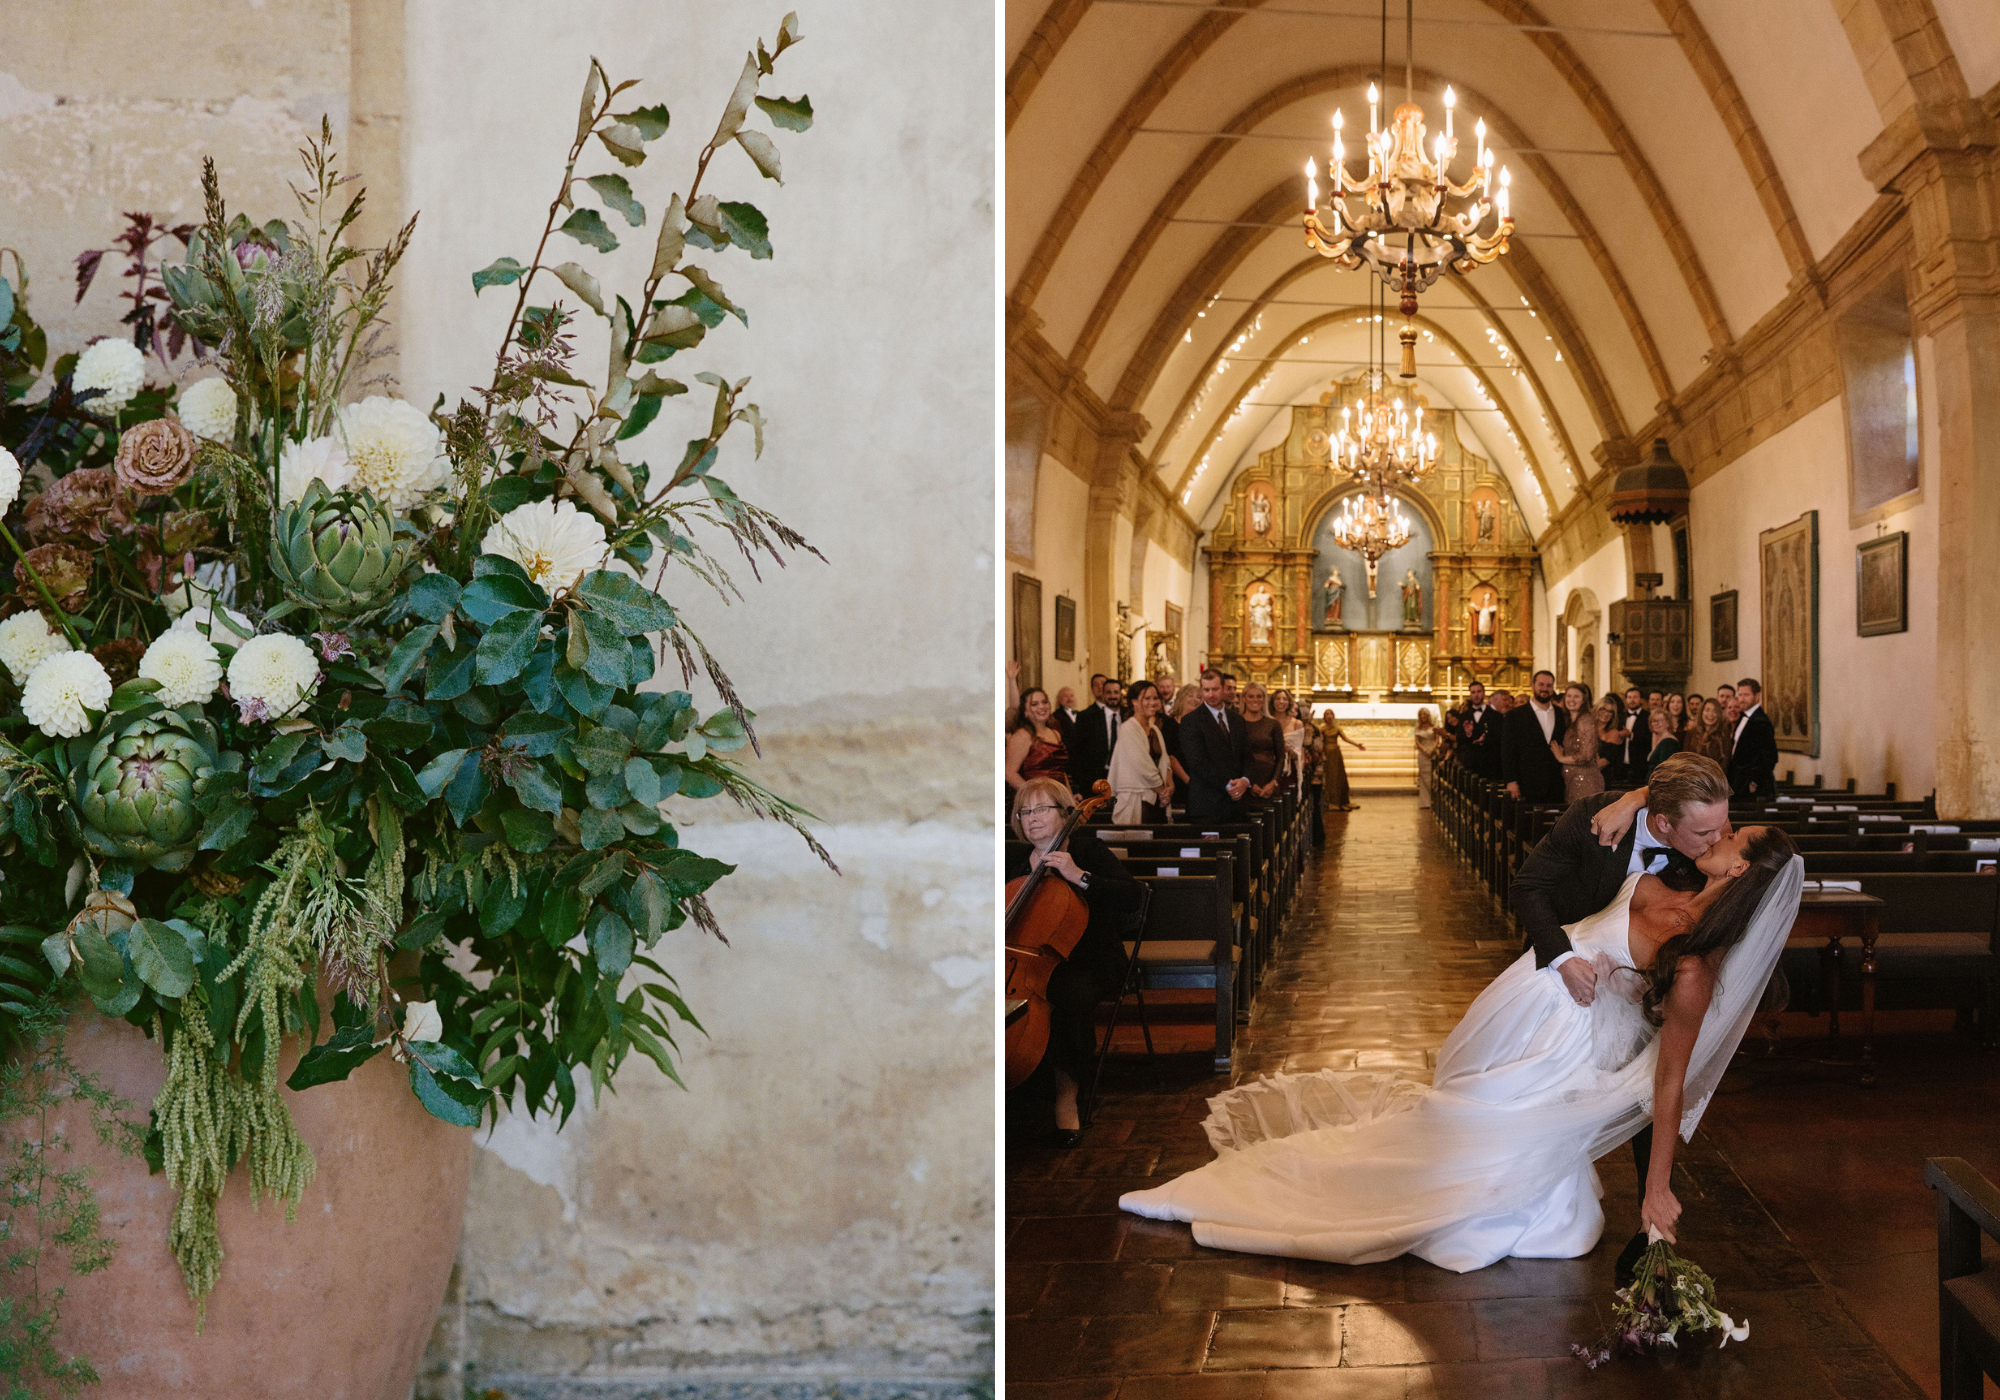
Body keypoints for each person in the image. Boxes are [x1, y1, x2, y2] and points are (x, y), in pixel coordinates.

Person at [1120, 796, 1802, 1273]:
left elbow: (1671, 1080)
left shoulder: (1695, 966)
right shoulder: (1669, 872)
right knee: (1450, 1122)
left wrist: (1656, 1190)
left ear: (1739, 869)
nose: (1721, 832)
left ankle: (1305, 1195)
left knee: (1470, 1142)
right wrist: (1632, 798)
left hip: (1569, 1055)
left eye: (1732, 837)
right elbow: (1673, 793)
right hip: (1533, 1012)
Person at [1511, 754, 1770, 1276]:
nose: (1720, 836)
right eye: (1707, 832)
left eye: (1724, 830)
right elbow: (1527, 887)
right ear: (1664, 823)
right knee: (1520, 1111)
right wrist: (1563, 959)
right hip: (1554, 981)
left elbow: (1670, 1076)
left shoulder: (1703, 864)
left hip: (1628, 1007)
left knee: (1645, 1089)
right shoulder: (1597, 819)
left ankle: (1648, 1225)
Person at [1008, 778, 1142, 1146]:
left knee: (1067, 995)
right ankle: (1016, 1089)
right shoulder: (1014, 862)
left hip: (1090, 959)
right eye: (1024, 812)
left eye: (1041, 809)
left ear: (1067, 812)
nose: (1032, 818)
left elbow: (1132, 897)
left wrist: (1078, 876)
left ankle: (1067, 1098)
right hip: (1026, 965)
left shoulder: (1088, 851)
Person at [1179, 670, 1251, 821]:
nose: (1211, 694)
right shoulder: (1191, 721)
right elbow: (1197, 762)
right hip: (1207, 803)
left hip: (1237, 803)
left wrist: (1245, 780)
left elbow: (1247, 755)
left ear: (1223, 688)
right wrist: (1229, 785)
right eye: (1206, 690)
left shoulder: (1237, 719)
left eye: (1215, 689)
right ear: (1201, 690)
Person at [1108, 680, 1175, 825]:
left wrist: (1170, 787)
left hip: (1157, 800)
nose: (1153, 702)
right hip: (1137, 800)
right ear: (1134, 702)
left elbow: (1165, 762)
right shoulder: (1128, 728)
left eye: (1155, 698)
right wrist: (1163, 791)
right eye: (1147, 698)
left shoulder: (1155, 729)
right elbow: (1143, 766)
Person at [1502, 671, 1567, 803]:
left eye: (1549, 685)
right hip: (1526, 782)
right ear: (1532, 685)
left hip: (1555, 783)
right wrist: (1511, 781)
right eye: (1541, 684)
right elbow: (1507, 750)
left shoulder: (1561, 714)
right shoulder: (1515, 715)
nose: (1545, 689)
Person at [1005, 688, 1072, 805]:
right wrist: (1035, 795)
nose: (1042, 707)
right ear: (1025, 712)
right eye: (1034, 704)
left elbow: (1061, 772)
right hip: (1034, 803)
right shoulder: (1022, 735)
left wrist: (1069, 799)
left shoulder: (1055, 734)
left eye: (1044, 702)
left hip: (1058, 799)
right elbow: (1008, 772)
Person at [1069, 676, 1125, 793]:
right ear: (1103, 695)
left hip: (1124, 776)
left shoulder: (1128, 716)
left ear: (1121, 694)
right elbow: (1076, 751)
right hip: (1095, 778)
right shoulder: (1087, 717)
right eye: (1108, 692)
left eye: (1116, 692)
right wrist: (1079, 784)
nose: (1112, 696)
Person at [1728, 678, 1779, 799]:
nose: (1741, 699)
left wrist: (1755, 780)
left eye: (1746, 695)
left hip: (1752, 787)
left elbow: (1770, 757)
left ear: (1757, 696)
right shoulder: (1743, 717)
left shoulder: (1761, 721)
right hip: (1739, 782)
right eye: (1740, 695)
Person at [1553, 682, 1603, 802]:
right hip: (1572, 779)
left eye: (1576, 696)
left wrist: (1561, 758)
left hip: (1584, 780)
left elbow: (1587, 755)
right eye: (1569, 696)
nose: (1571, 700)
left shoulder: (1585, 721)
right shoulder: (1569, 720)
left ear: (1583, 700)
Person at [1239, 684, 1286, 798]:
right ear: (1244, 698)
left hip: (1268, 779)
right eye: (1251, 696)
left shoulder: (1273, 724)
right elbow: (1234, 757)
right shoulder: (1236, 723)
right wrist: (1249, 784)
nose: (1255, 700)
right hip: (1243, 782)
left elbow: (1281, 756)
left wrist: (1273, 782)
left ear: (1264, 699)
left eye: (1259, 696)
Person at [1451, 681, 1501, 783]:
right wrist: (1468, 734)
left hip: (1490, 764)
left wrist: (1484, 740)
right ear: (1470, 695)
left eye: (1479, 691)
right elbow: (1459, 738)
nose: (1476, 695)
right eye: (1473, 692)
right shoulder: (1464, 716)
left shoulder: (1496, 715)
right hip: (1470, 764)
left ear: (1484, 693)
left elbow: (1500, 737)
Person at [1320, 706, 1365, 811]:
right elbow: (1320, 742)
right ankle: (1332, 802)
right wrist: (1322, 754)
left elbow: (1346, 739)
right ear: (1324, 717)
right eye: (1327, 714)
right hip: (1327, 753)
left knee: (1339, 776)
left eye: (1331, 714)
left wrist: (1357, 745)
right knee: (1330, 776)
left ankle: (1343, 801)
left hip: (1336, 754)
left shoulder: (1337, 729)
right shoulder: (1321, 729)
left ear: (1334, 716)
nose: (1329, 716)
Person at [1271, 689, 1310, 795]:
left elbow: (1299, 752)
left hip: (1290, 769)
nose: (1281, 701)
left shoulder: (1297, 724)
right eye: (1278, 699)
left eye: (1284, 699)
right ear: (1272, 702)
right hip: (1270, 767)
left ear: (1289, 702)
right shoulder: (1267, 721)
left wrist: (1289, 750)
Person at [1594, 699, 1629, 789]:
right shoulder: (1586, 729)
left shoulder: (1614, 733)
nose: (1606, 713)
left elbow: (1606, 760)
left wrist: (1586, 771)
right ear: (1596, 709)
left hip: (1602, 778)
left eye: (1610, 711)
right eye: (1603, 709)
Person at [1687, 697, 1731, 768]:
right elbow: (1685, 758)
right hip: (1692, 773)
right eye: (1707, 710)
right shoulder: (1691, 733)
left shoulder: (1723, 733)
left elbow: (1725, 761)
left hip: (1715, 774)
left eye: (1715, 711)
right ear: (1702, 712)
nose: (1711, 714)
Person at [1642, 706, 1681, 780]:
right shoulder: (1659, 739)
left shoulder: (1669, 742)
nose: (1655, 723)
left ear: (1668, 722)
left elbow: (1665, 770)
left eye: (1659, 720)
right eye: (1653, 721)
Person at [1414, 708, 1441, 810]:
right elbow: (1417, 741)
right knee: (1424, 776)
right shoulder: (1418, 728)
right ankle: (1425, 802)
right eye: (1421, 714)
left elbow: (1437, 739)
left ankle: (1435, 799)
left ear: (1428, 715)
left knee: (1431, 775)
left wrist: (1432, 749)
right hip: (1423, 753)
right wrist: (1424, 749)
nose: (1423, 716)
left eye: (1425, 714)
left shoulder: (1434, 727)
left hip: (1432, 752)